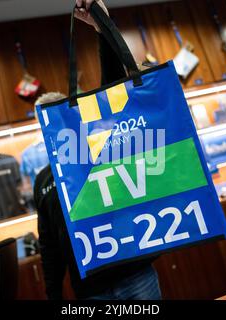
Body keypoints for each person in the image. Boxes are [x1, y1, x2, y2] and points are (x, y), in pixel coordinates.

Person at [34, 0, 162, 300]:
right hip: (89, 289)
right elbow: (48, 244)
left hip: (134, 274)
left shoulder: (97, 147)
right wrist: (53, 295)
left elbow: (113, 84)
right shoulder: (43, 180)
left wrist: (101, 25)